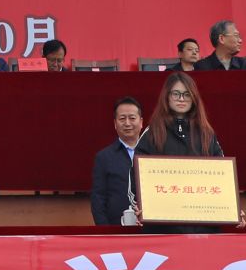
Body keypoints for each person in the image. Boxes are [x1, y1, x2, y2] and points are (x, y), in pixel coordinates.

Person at [143, 71, 227, 233]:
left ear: (194, 98)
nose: (181, 99)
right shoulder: (152, 132)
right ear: (166, 97)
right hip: (164, 227)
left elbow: (222, 177)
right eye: (176, 94)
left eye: (187, 94)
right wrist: (142, 206)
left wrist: (231, 207)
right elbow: (137, 175)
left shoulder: (206, 133)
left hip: (203, 226)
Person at [90, 97, 146, 226]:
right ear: (115, 123)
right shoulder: (104, 157)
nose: (127, 123)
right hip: (116, 229)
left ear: (141, 122)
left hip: (149, 229)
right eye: (122, 118)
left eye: (132, 118)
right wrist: (106, 231)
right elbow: (98, 199)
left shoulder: (152, 154)